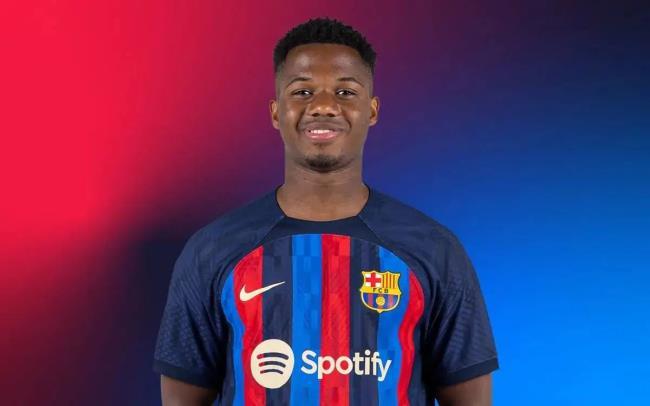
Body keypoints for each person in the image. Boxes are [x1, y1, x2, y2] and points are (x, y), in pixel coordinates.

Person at [153, 17, 499, 406]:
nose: (322, 106)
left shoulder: (434, 248)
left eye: (345, 92)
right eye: (302, 91)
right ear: (276, 112)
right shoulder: (212, 249)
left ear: (371, 110)